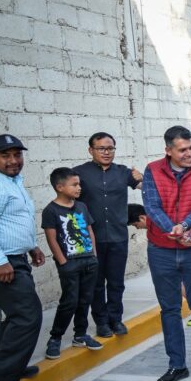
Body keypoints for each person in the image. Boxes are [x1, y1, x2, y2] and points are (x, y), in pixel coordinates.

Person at [142, 126, 191, 381]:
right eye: (183, 149)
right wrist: (172, 231)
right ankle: (177, 365)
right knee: (170, 309)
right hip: (161, 250)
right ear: (168, 150)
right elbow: (151, 206)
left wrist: (183, 226)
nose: (189, 153)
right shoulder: (152, 170)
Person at [74, 132, 142, 338]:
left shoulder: (123, 172)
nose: (106, 152)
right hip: (91, 238)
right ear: (91, 150)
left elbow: (148, 187)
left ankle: (115, 319)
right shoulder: (79, 173)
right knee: (96, 284)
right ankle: (101, 322)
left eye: (110, 148)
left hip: (117, 236)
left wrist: (143, 177)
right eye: (101, 148)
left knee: (116, 282)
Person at [0, 135, 45, 381]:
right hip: (4, 262)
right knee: (27, 315)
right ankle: (4, 375)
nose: (13, 160)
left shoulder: (13, 182)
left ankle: (8, 364)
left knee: (18, 315)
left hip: (16, 258)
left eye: (17, 154)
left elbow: (14, 221)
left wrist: (32, 246)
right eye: (5, 155)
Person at [41, 168, 102, 359]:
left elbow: (89, 230)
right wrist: (63, 262)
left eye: (79, 184)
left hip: (89, 261)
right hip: (70, 264)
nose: (79, 188)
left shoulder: (81, 206)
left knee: (85, 300)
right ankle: (55, 338)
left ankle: (80, 335)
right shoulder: (51, 210)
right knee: (69, 301)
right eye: (74, 184)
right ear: (59, 187)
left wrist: (94, 255)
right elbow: (51, 239)